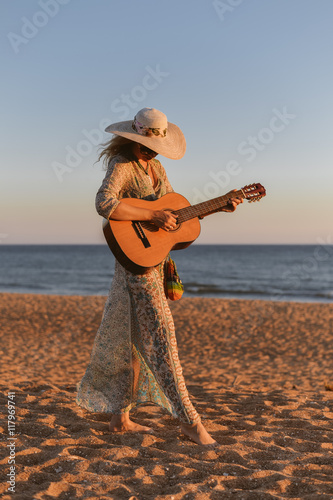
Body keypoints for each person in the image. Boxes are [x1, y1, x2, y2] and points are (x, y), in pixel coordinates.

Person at [76, 107, 243, 446]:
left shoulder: (156, 168)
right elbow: (105, 203)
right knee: (164, 337)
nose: (150, 151)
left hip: (152, 261)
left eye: (155, 147)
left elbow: (175, 217)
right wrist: (151, 212)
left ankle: (120, 418)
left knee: (131, 340)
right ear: (132, 138)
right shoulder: (122, 164)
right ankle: (189, 421)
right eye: (144, 145)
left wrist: (217, 206)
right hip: (135, 269)